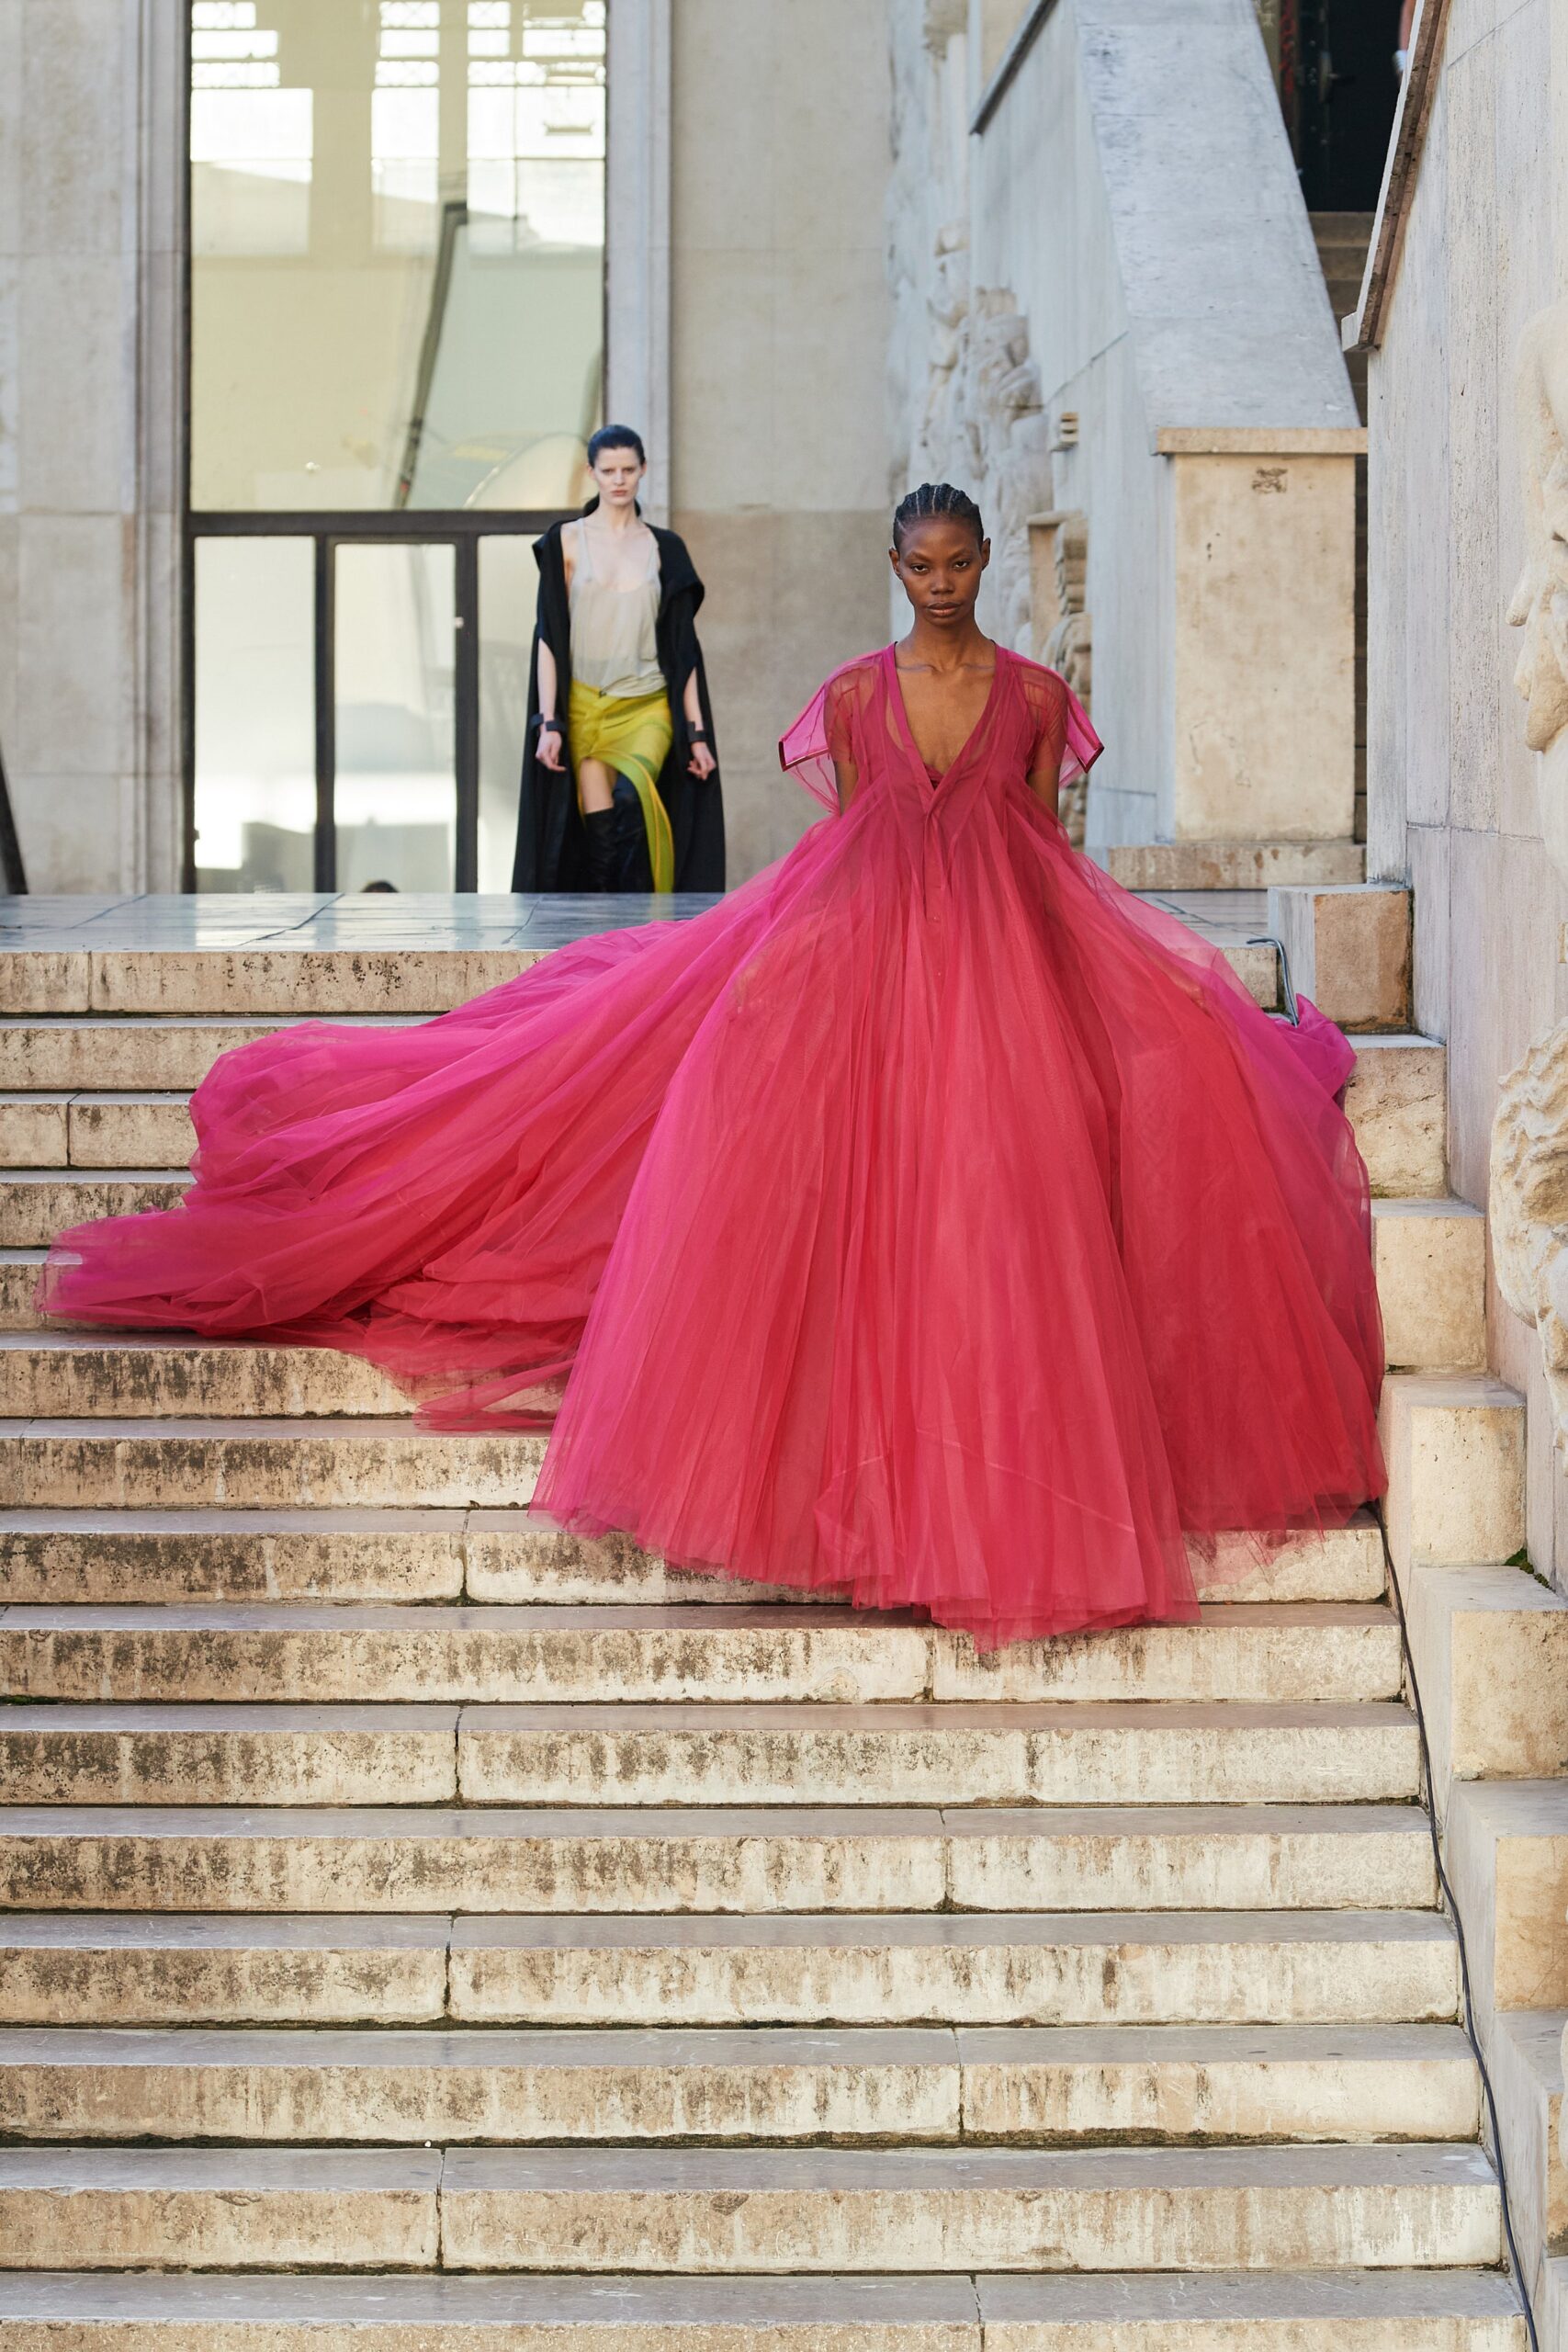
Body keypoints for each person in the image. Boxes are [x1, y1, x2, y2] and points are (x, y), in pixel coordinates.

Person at [42, 482, 1384, 1651]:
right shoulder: (853, 696)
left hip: (999, 979)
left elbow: (1039, 854)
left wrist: (1122, 995)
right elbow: (859, 845)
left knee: (998, 1226)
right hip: (874, 968)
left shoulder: (1035, 697)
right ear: (891, 564)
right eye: (916, 566)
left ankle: (985, 1501)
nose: (936, 586)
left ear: (983, 562)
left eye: (956, 565)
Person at [513, 424, 725, 895]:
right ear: (591, 473)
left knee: (632, 796)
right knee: (598, 824)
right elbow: (548, 637)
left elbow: (684, 651)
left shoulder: (664, 548)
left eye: (628, 469)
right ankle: (610, 924)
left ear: (643, 470)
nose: (619, 479)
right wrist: (548, 722)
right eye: (608, 470)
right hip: (585, 706)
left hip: (646, 704)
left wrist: (697, 734)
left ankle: (643, 919)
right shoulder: (565, 542)